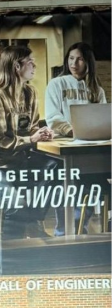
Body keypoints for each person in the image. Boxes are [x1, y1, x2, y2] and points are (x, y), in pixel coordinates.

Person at [0, 45, 57, 240]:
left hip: (18, 164)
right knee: (15, 203)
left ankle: (31, 220)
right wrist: (31, 139)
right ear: (17, 67)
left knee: (55, 166)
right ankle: (14, 249)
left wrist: (41, 133)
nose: (34, 66)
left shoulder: (30, 93)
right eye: (30, 62)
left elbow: (31, 127)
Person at [46, 42, 107, 235]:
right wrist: (72, 130)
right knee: (66, 185)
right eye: (71, 58)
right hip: (64, 148)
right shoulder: (57, 84)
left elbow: (102, 118)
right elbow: (53, 117)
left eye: (79, 59)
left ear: (88, 62)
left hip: (90, 147)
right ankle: (64, 232)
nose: (74, 63)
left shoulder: (97, 89)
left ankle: (81, 230)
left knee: (92, 185)